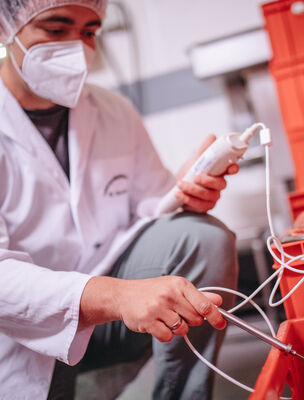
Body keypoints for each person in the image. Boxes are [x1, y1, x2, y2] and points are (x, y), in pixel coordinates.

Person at [0, 1, 239, 399]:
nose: (76, 48)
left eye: (89, 32)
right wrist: (118, 295)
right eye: (55, 29)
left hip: (110, 320)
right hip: (16, 334)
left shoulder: (114, 111)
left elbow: (149, 208)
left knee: (203, 237)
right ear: (5, 28)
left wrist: (181, 198)